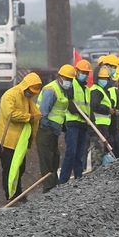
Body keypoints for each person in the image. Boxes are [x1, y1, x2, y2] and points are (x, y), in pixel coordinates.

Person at [0, 72, 43, 199]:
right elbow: (10, 114)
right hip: (7, 140)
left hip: (19, 140)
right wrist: (29, 117)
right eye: (31, 91)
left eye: (34, 93)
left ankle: (18, 192)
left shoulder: (27, 98)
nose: (32, 94)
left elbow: (35, 114)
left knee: (20, 168)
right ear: (26, 86)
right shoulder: (10, 95)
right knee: (9, 168)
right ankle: (10, 195)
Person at [37, 65, 79, 193]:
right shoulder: (51, 90)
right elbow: (43, 112)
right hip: (46, 129)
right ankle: (48, 188)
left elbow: (61, 111)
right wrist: (48, 128)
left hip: (54, 131)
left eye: (71, 80)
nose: (69, 82)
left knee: (54, 158)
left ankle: (53, 186)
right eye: (67, 78)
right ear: (60, 77)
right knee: (47, 160)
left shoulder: (64, 90)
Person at [59, 62, 91, 182]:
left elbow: (88, 108)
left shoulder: (87, 90)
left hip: (83, 124)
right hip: (72, 124)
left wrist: (88, 118)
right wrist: (79, 114)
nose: (85, 75)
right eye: (83, 72)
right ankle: (63, 180)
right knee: (71, 152)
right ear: (77, 72)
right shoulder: (72, 85)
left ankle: (79, 177)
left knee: (80, 153)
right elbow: (69, 104)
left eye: (86, 73)